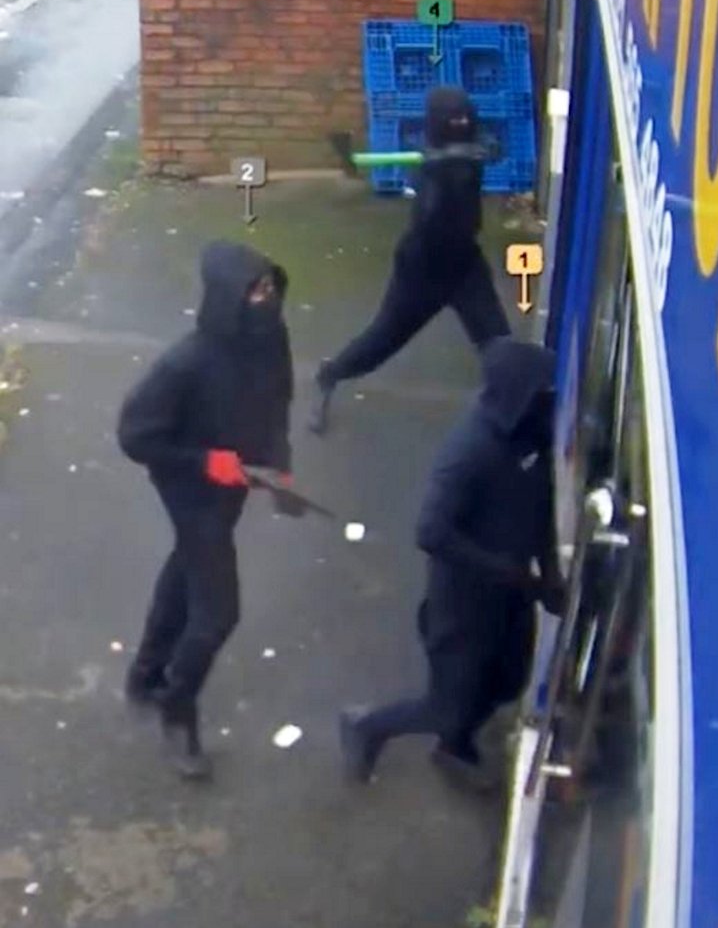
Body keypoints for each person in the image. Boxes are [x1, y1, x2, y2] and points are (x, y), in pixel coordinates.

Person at [339, 338, 563, 788]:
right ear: (517, 394)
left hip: (511, 593)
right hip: (462, 604)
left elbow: (540, 508)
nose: (551, 401)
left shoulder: (531, 437)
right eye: (542, 393)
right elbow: (431, 532)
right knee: (446, 703)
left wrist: (549, 573)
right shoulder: (469, 452)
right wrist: (508, 571)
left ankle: (454, 740)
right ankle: (369, 727)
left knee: (506, 679)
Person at [117, 240, 301, 780]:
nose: (266, 300)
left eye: (269, 288)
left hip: (237, 481)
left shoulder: (271, 338)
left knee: (187, 566)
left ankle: (146, 673)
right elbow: (135, 436)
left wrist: (276, 462)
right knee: (219, 613)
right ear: (227, 299)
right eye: (254, 291)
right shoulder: (184, 364)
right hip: (190, 488)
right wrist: (205, 463)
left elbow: (278, 400)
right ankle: (177, 708)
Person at [309, 85, 510, 435]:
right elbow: (431, 217)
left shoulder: (472, 146)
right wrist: (443, 171)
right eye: (454, 120)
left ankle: (516, 412)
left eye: (466, 118)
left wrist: (482, 151)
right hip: (422, 271)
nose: (462, 124)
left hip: (465, 264)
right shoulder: (429, 166)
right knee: (381, 341)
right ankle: (332, 374)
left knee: (499, 345)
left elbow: (494, 148)